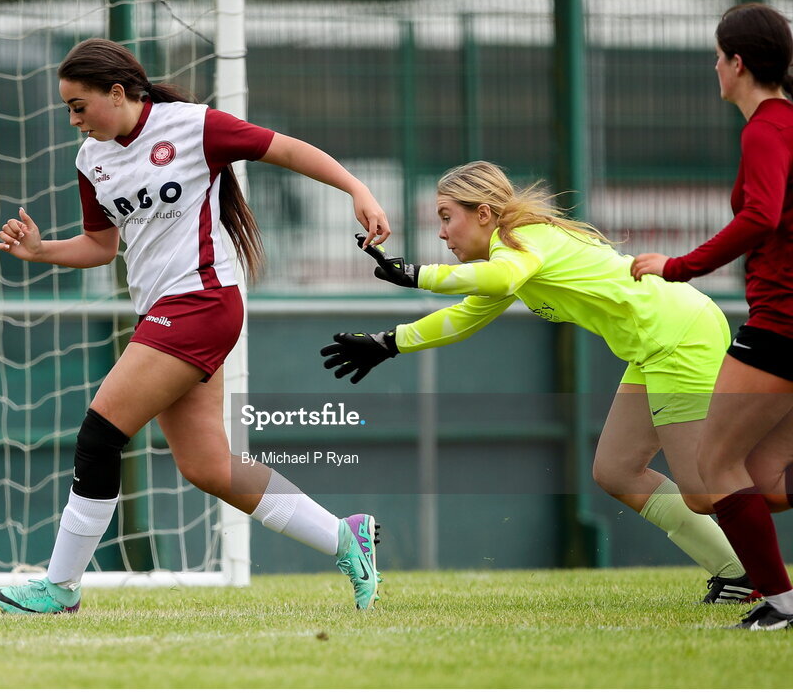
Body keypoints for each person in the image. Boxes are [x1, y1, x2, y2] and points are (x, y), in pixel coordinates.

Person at [0, 38, 388, 613]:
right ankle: (345, 536)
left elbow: (288, 150)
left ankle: (60, 586)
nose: (72, 119)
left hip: (202, 302)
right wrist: (41, 250)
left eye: (78, 106)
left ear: (117, 93)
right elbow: (102, 247)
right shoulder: (91, 160)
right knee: (206, 466)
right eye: (67, 109)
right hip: (165, 314)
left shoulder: (194, 127)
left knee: (100, 435)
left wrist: (357, 188)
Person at [322, 160, 756, 603]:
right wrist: (389, 343)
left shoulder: (523, 244)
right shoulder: (511, 254)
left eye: (446, 217)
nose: (441, 232)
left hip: (678, 337)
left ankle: (757, 575)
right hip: (656, 343)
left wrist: (417, 275)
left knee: (704, 491)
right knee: (617, 471)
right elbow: (466, 317)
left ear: (484, 214)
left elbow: (499, 278)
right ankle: (739, 575)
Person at [631, 2, 793, 630]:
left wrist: (679, 267)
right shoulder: (780, 124)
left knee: (710, 475)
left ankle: (779, 604)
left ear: (738, 63)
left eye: (719, 56)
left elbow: (762, 216)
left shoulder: (766, 128)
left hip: (779, 326)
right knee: (764, 480)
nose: (714, 67)